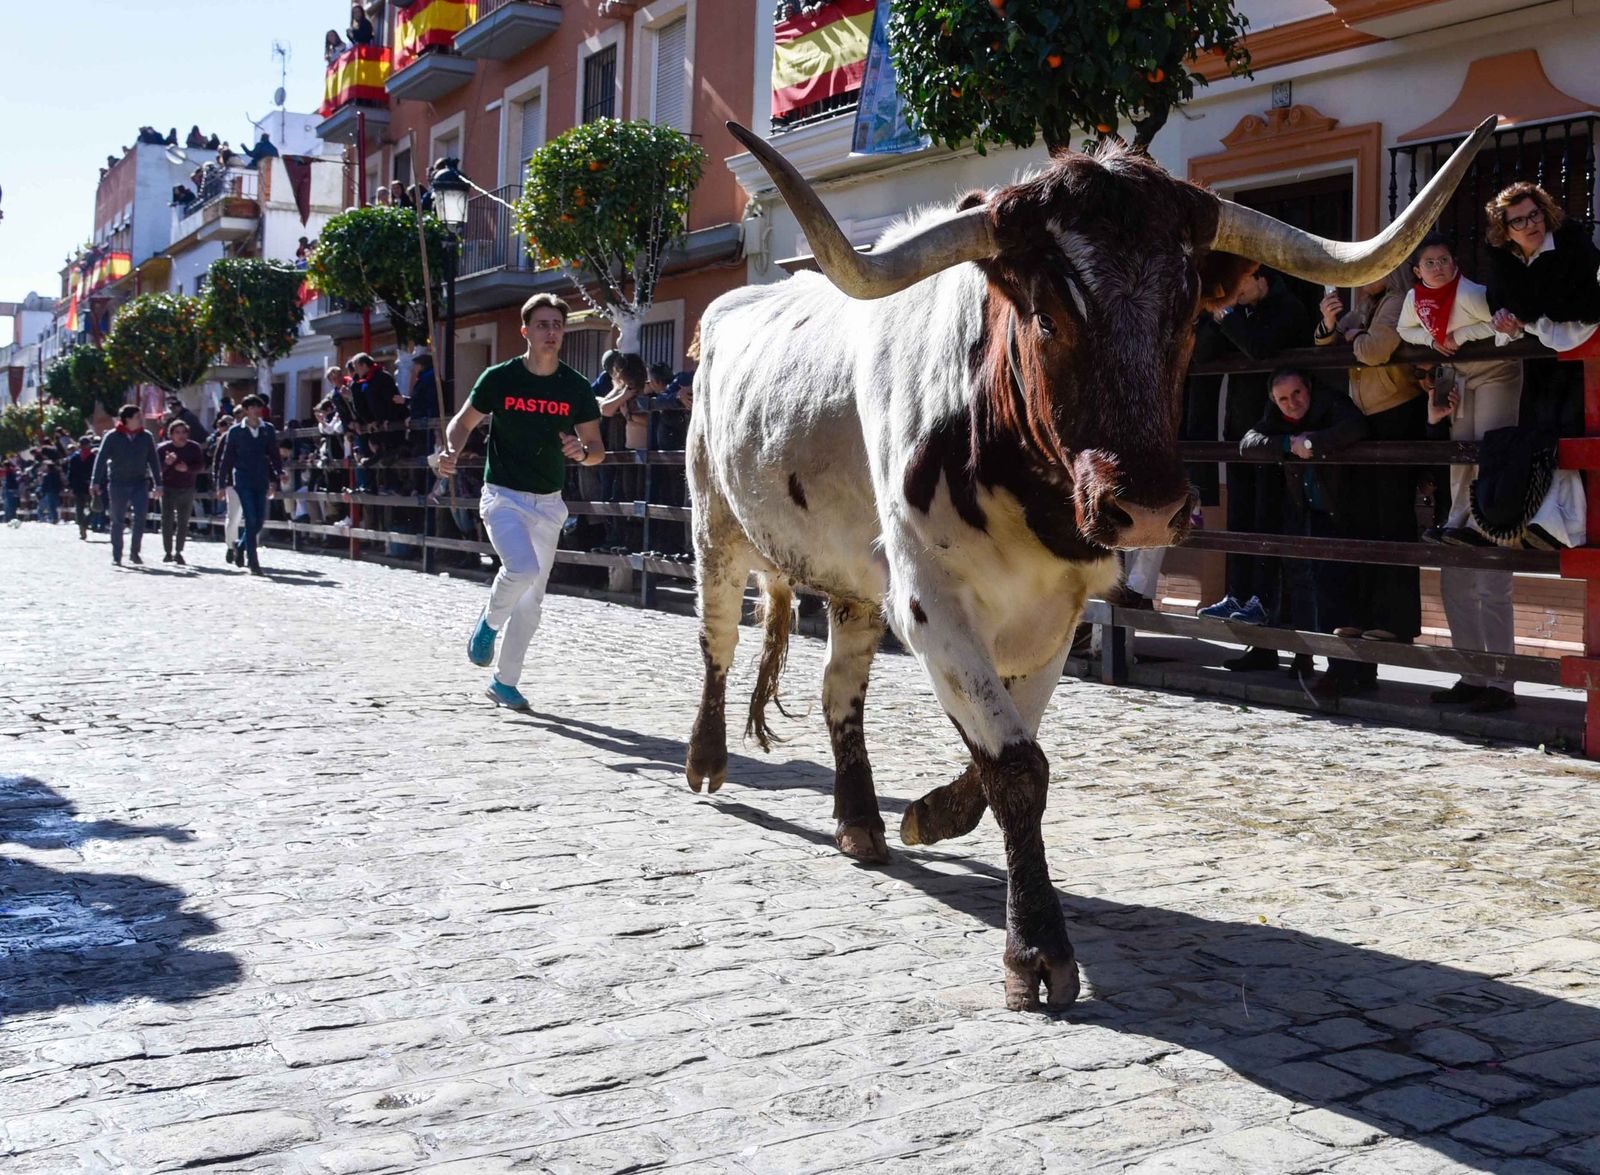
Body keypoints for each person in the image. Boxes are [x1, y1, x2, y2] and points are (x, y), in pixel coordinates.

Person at [435, 293, 606, 711]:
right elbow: (463, 422)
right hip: (503, 497)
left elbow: (597, 448)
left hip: (548, 504)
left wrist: (580, 453)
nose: (552, 332)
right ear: (526, 331)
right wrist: (451, 450)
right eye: (543, 324)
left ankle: (504, 682)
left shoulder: (575, 386)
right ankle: (489, 624)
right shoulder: (500, 378)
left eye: (557, 325)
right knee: (521, 569)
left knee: (532, 601)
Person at [1197, 267, 1313, 669]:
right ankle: (1251, 630)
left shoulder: (1289, 308)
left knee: (1274, 533)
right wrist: (1215, 315)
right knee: (1242, 526)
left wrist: (1227, 316)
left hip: (1278, 441)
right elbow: (1204, 352)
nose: (1232, 292)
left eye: (1237, 283)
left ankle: (1290, 642)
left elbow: (1259, 349)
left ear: (1259, 276)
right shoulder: (1238, 312)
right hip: (1241, 439)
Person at [1241, 368, 1372, 695]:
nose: (1292, 403)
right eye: (1283, 399)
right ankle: (1334, 667)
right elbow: (1248, 444)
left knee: (1341, 591)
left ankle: (1349, 672)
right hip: (1310, 511)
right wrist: (1288, 443)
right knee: (1314, 584)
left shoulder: (1331, 403)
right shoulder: (1277, 416)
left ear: (1309, 388)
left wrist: (1312, 442)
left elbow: (1356, 427)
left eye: (1296, 394)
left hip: (1345, 510)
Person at [1315, 266, 1426, 645]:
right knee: (1361, 517)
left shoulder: (1399, 300)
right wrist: (1331, 324)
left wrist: (1353, 335)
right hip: (1365, 418)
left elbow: (1374, 351)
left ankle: (1396, 622)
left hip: (1397, 413)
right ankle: (1361, 616)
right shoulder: (1366, 305)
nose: (1362, 275)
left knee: (1393, 519)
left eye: (1373, 266)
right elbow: (1323, 343)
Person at [1396, 233, 1522, 547]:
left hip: (1497, 371)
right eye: (1429, 262)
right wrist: (1431, 340)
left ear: (1455, 265)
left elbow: (1504, 324)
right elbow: (1404, 329)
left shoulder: (1471, 294)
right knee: (1460, 447)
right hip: (1459, 376)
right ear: (1418, 271)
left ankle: (1487, 525)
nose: (1437, 267)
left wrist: (1462, 334)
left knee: (1488, 443)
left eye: (1443, 261)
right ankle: (1456, 519)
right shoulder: (1416, 300)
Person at [215, 396, 282, 575]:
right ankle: (254, 563)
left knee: (259, 520)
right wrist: (221, 483)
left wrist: (277, 474)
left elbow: (273, 454)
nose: (256, 410)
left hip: (261, 478)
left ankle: (241, 544)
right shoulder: (236, 432)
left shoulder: (267, 429)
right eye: (252, 407)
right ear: (245, 410)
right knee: (251, 518)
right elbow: (227, 459)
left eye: (258, 407)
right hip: (243, 479)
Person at [91, 404, 162, 567]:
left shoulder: (146, 437)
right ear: (127, 419)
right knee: (117, 520)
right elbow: (101, 459)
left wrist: (159, 483)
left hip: (139, 482)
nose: (141, 419)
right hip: (118, 483)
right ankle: (117, 554)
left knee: (140, 518)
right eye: (137, 416)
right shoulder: (112, 436)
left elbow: (153, 461)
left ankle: (135, 553)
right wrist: (95, 481)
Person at [157, 420, 205, 565]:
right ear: (170, 435)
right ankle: (167, 551)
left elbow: (201, 466)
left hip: (187, 487)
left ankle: (179, 551)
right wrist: (167, 463)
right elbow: (156, 469)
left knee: (183, 521)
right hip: (168, 488)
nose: (181, 435)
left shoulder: (194, 447)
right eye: (177, 432)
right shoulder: (162, 448)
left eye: (184, 432)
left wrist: (188, 469)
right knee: (167, 520)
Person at [64, 435, 96, 539]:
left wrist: (71, 486)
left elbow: (70, 474)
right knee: (93, 508)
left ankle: (82, 525)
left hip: (80, 487)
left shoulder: (76, 457)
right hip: (88, 486)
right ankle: (84, 524)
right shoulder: (92, 457)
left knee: (81, 508)